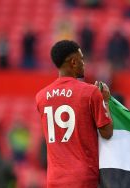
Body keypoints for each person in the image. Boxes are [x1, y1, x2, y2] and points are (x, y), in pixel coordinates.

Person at [35, 40, 113, 187]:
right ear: (73, 62)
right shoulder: (90, 92)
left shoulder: (41, 97)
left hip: (54, 179)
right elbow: (107, 133)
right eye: (81, 59)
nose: (84, 63)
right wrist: (105, 101)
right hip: (82, 178)